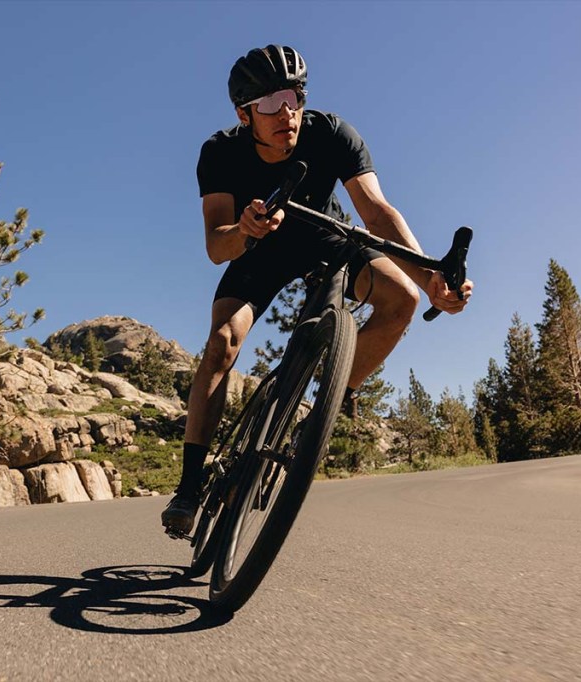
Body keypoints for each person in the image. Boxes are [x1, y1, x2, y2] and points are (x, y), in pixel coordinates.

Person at [161, 45, 473, 534]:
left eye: (292, 97)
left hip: (324, 236)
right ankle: (189, 484)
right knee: (222, 341)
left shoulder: (332, 133)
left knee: (402, 300)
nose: (285, 112)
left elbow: (377, 213)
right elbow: (216, 246)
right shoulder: (220, 152)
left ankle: (319, 415)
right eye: (268, 103)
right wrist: (244, 230)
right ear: (244, 114)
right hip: (257, 247)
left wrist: (429, 276)